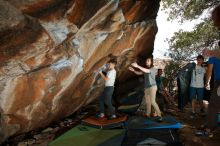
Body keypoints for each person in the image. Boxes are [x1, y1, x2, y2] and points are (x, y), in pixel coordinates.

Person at [196, 5, 220, 137]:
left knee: (213, 105)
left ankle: (210, 128)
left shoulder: (213, 55)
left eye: (214, 18)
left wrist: (211, 52)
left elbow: (209, 70)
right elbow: (209, 70)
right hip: (217, 81)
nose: (214, 22)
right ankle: (210, 126)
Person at [129, 56, 162, 121]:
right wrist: (133, 70)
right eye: (146, 61)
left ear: (151, 62)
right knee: (148, 102)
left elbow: (146, 71)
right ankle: (148, 114)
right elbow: (139, 73)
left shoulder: (152, 69)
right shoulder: (146, 69)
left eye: (148, 61)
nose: (146, 62)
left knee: (153, 101)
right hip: (146, 88)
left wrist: (137, 66)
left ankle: (159, 115)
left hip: (152, 87)